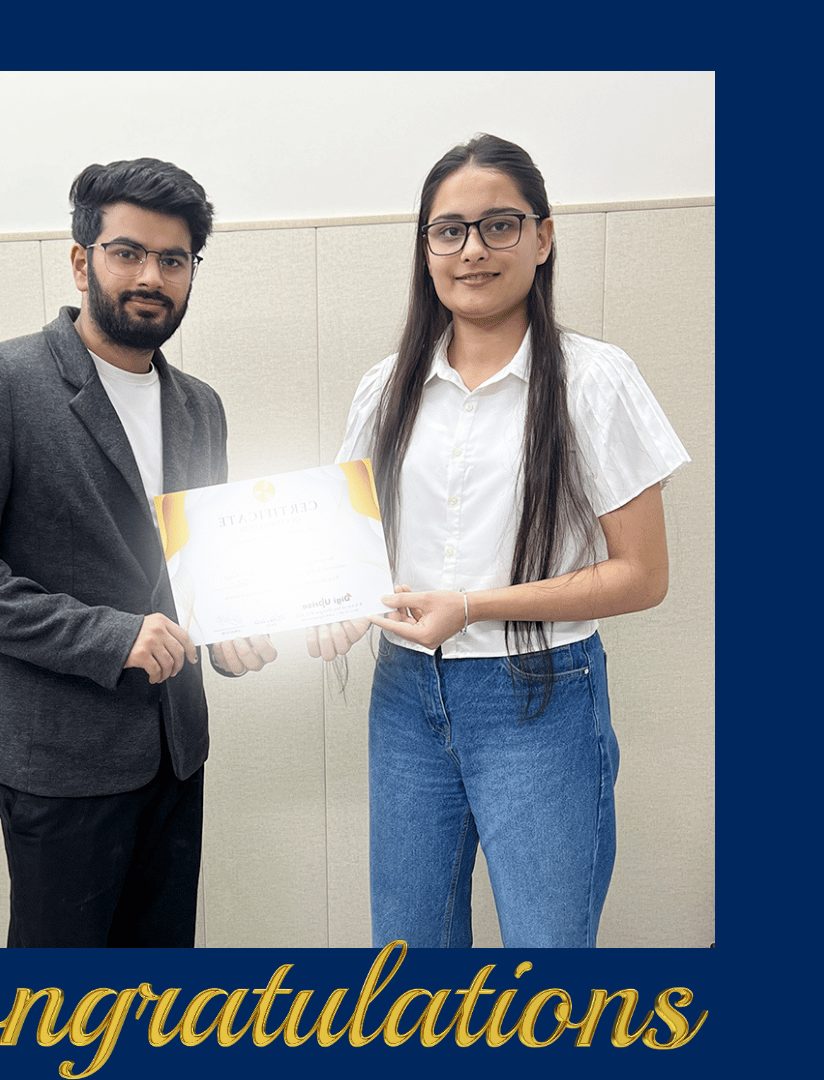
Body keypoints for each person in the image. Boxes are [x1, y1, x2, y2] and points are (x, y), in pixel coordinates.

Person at [309, 134, 690, 949]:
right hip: (406, 698)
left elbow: (643, 574)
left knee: (547, 958)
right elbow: (349, 553)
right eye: (449, 230)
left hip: (542, 694)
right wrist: (331, 606)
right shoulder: (386, 387)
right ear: (425, 248)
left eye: (499, 226)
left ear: (543, 238)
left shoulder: (595, 378)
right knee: (408, 959)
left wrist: (474, 605)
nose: (472, 250)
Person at [0, 157, 276, 948]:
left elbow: (191, 573)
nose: (151, 275)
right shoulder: (0, 379)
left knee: (157, 994)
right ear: (82, 261)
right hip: (55, 757)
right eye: (128, 252)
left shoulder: (199, 406)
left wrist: (231, 631)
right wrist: (111, 636)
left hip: (176, 752)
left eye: (173, 260)